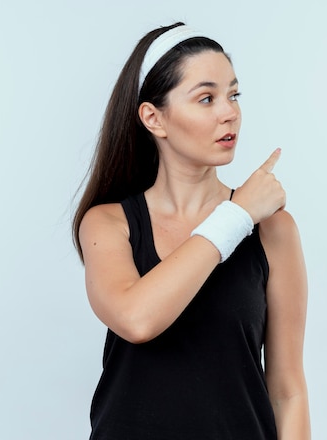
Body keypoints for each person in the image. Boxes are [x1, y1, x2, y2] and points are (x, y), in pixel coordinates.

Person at [73, 22, 310, 440]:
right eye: (206, 98)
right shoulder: (109, 223)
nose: (229, 112)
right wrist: (236, 216)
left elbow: (288, 390)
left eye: (233, 95)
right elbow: (137, 318)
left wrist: (246, 215)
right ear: (154, 118)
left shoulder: (273, 230)